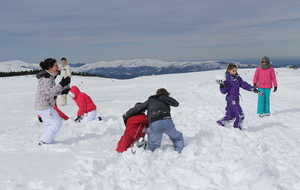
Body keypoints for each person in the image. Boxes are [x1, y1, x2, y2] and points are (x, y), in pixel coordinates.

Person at [124, 88, 184, 153]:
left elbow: (138, 108)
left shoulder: (151, 100)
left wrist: (126, 114)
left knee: (154, 144)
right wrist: (166, 98)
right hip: (167, 122)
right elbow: (176, 103)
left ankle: (144, 146)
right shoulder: (167, 100)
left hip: (155, 123)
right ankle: (179, 151)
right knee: (177, 138)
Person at [216, 63, 262, 130]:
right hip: (231, 98)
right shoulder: (227, 79)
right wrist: (222, 85)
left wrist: (253, 89)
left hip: (235, 98)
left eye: (235, 71)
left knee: (230, 116)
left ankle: (219, 124)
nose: (235, 72)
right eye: (233, 71)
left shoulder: (237, 78)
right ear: (229, 70)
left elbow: (243, 84)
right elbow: (224, 92)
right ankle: (237, 129)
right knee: (240, 116)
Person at [35, 58, 70, 145]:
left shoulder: (49, 76)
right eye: (56, 66)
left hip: (42, 105)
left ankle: (47, 141)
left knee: (49, 124)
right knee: (57, 122)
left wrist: (62, 90)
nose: (58, 67)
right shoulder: (47, 78)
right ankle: (44, 141)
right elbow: (49, 92)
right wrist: (61, 84)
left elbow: (51, 91)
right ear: (50, 68)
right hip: (45, 105)